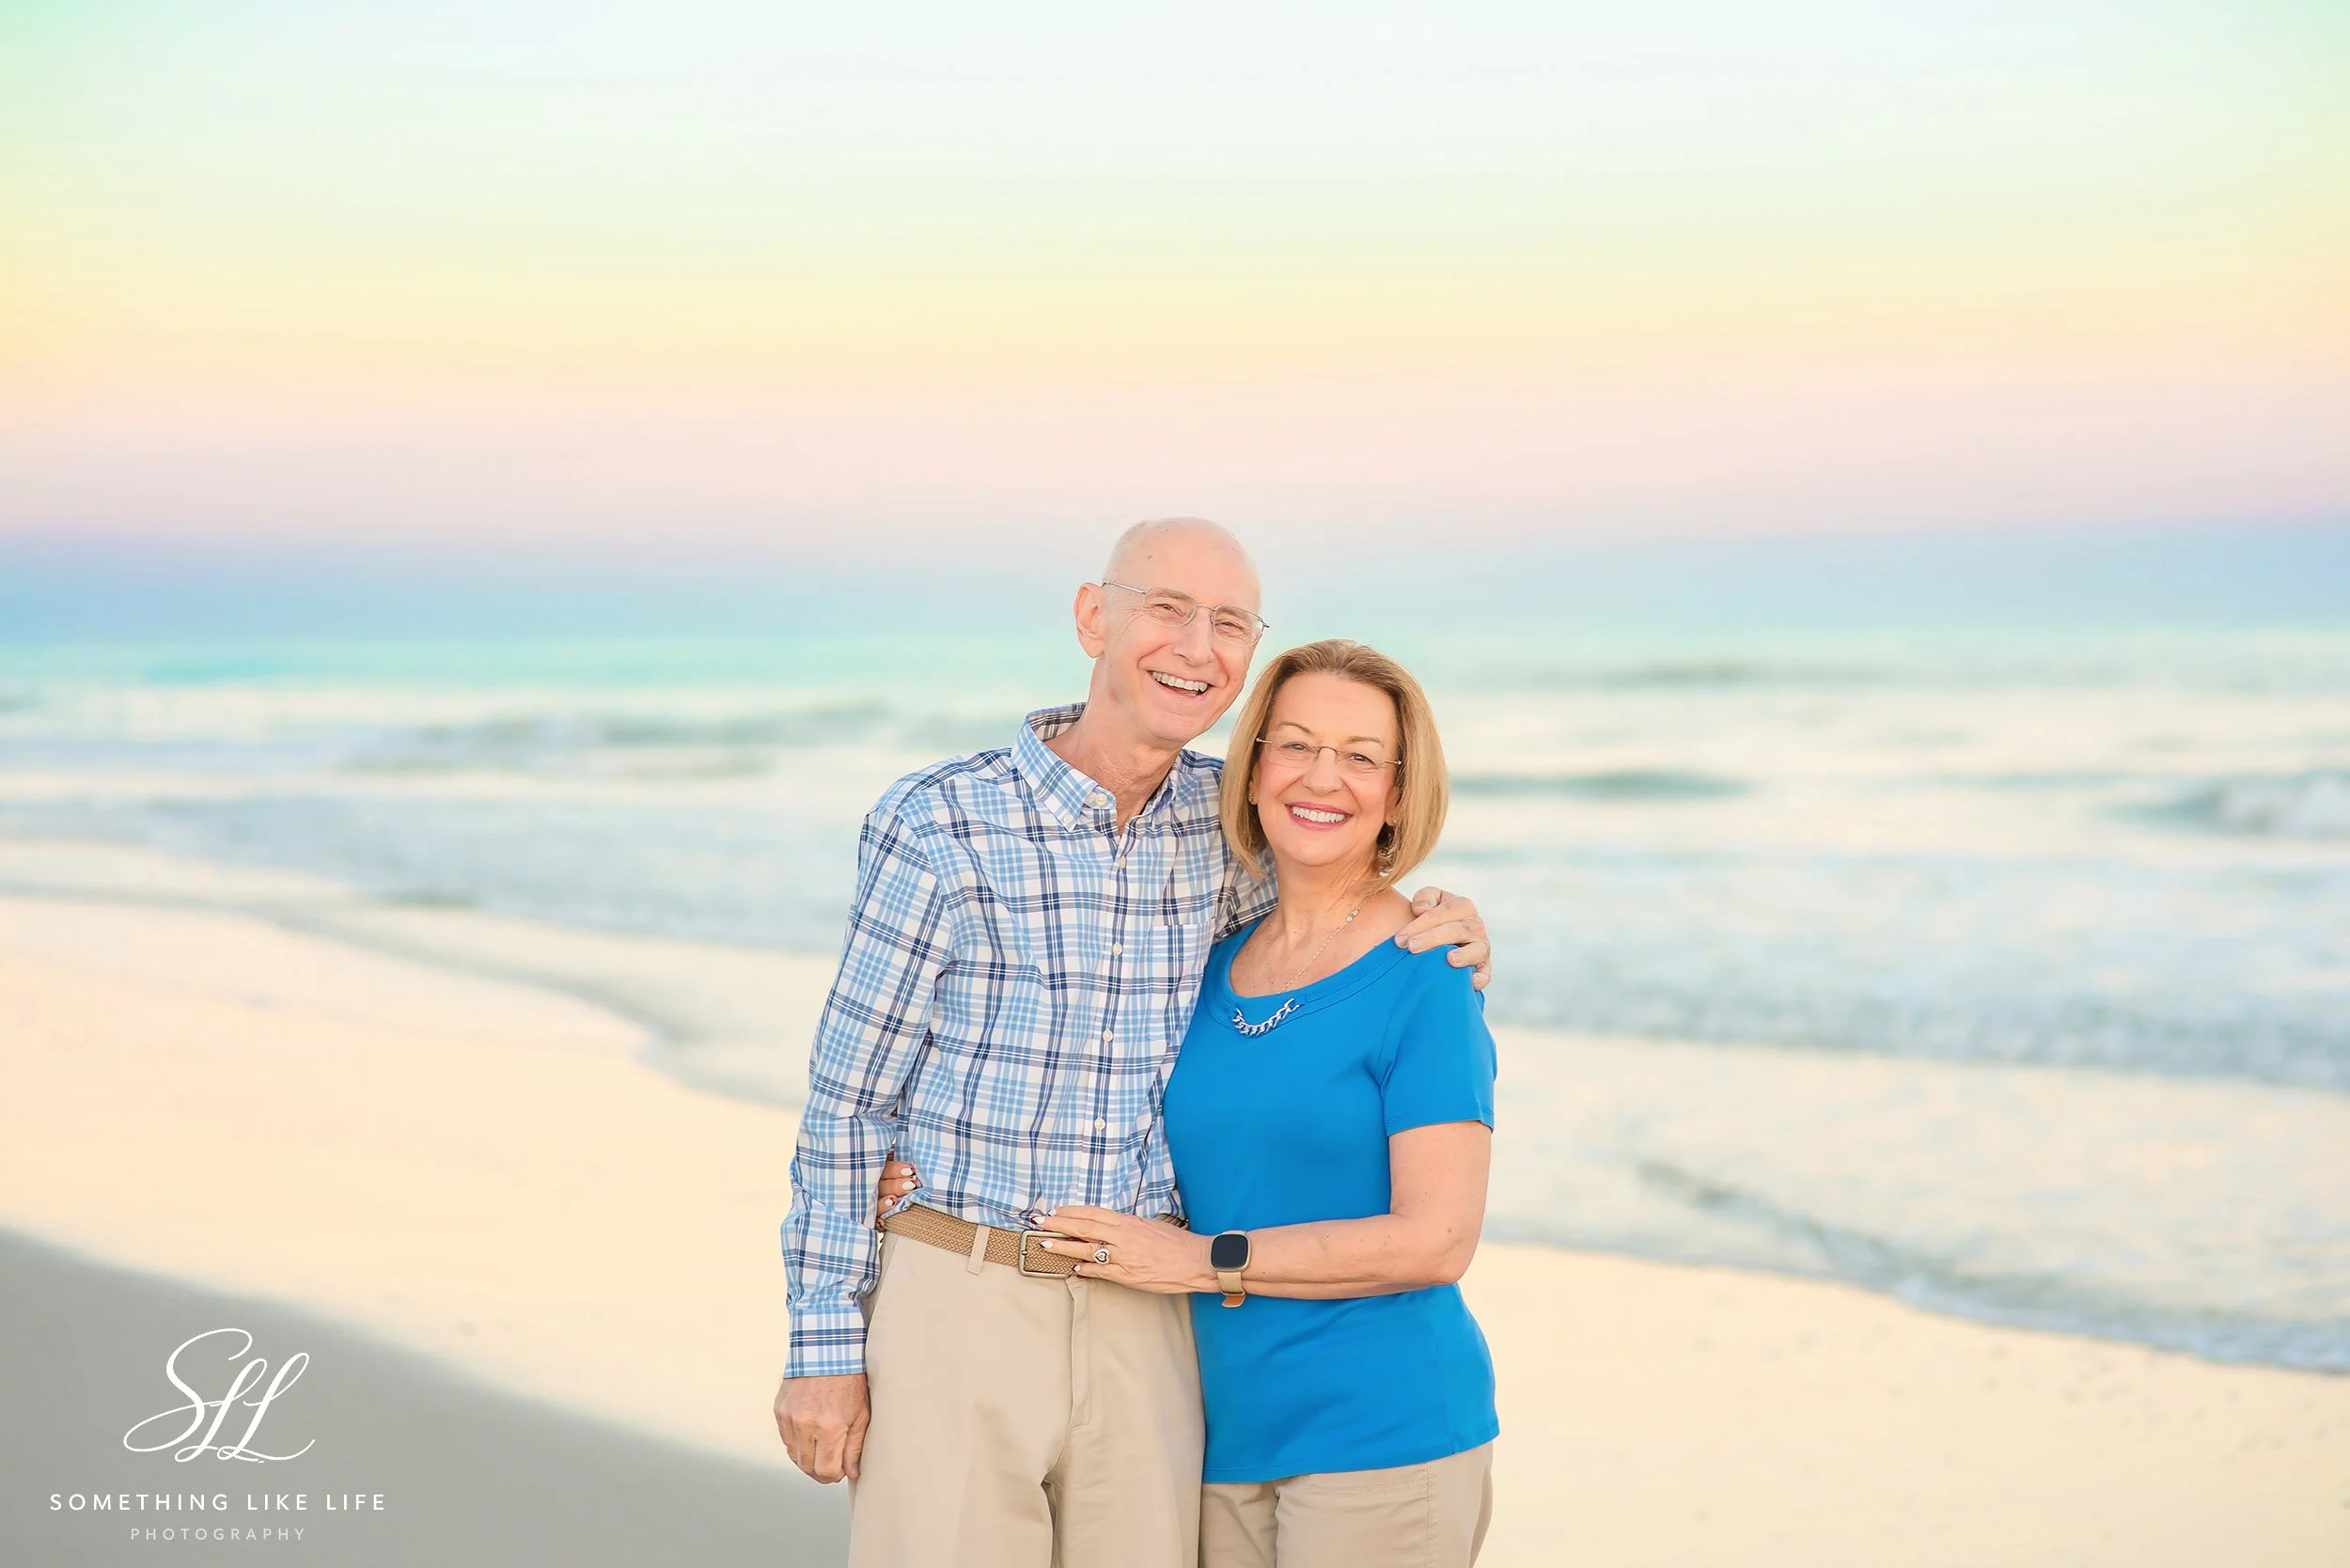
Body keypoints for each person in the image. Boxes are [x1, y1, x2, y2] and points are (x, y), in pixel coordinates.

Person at [774, 518, 1494, 1568]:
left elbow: (1346, 929)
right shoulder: (939, 823)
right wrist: (822, 1345)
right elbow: (846, 1102)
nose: (1195, 648)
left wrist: (1456, 927)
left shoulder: (1232, 828)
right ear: (1091, 617)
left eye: (1229, 624)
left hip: (1151, 1320)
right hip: (964, 1288)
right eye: (1166, 609)